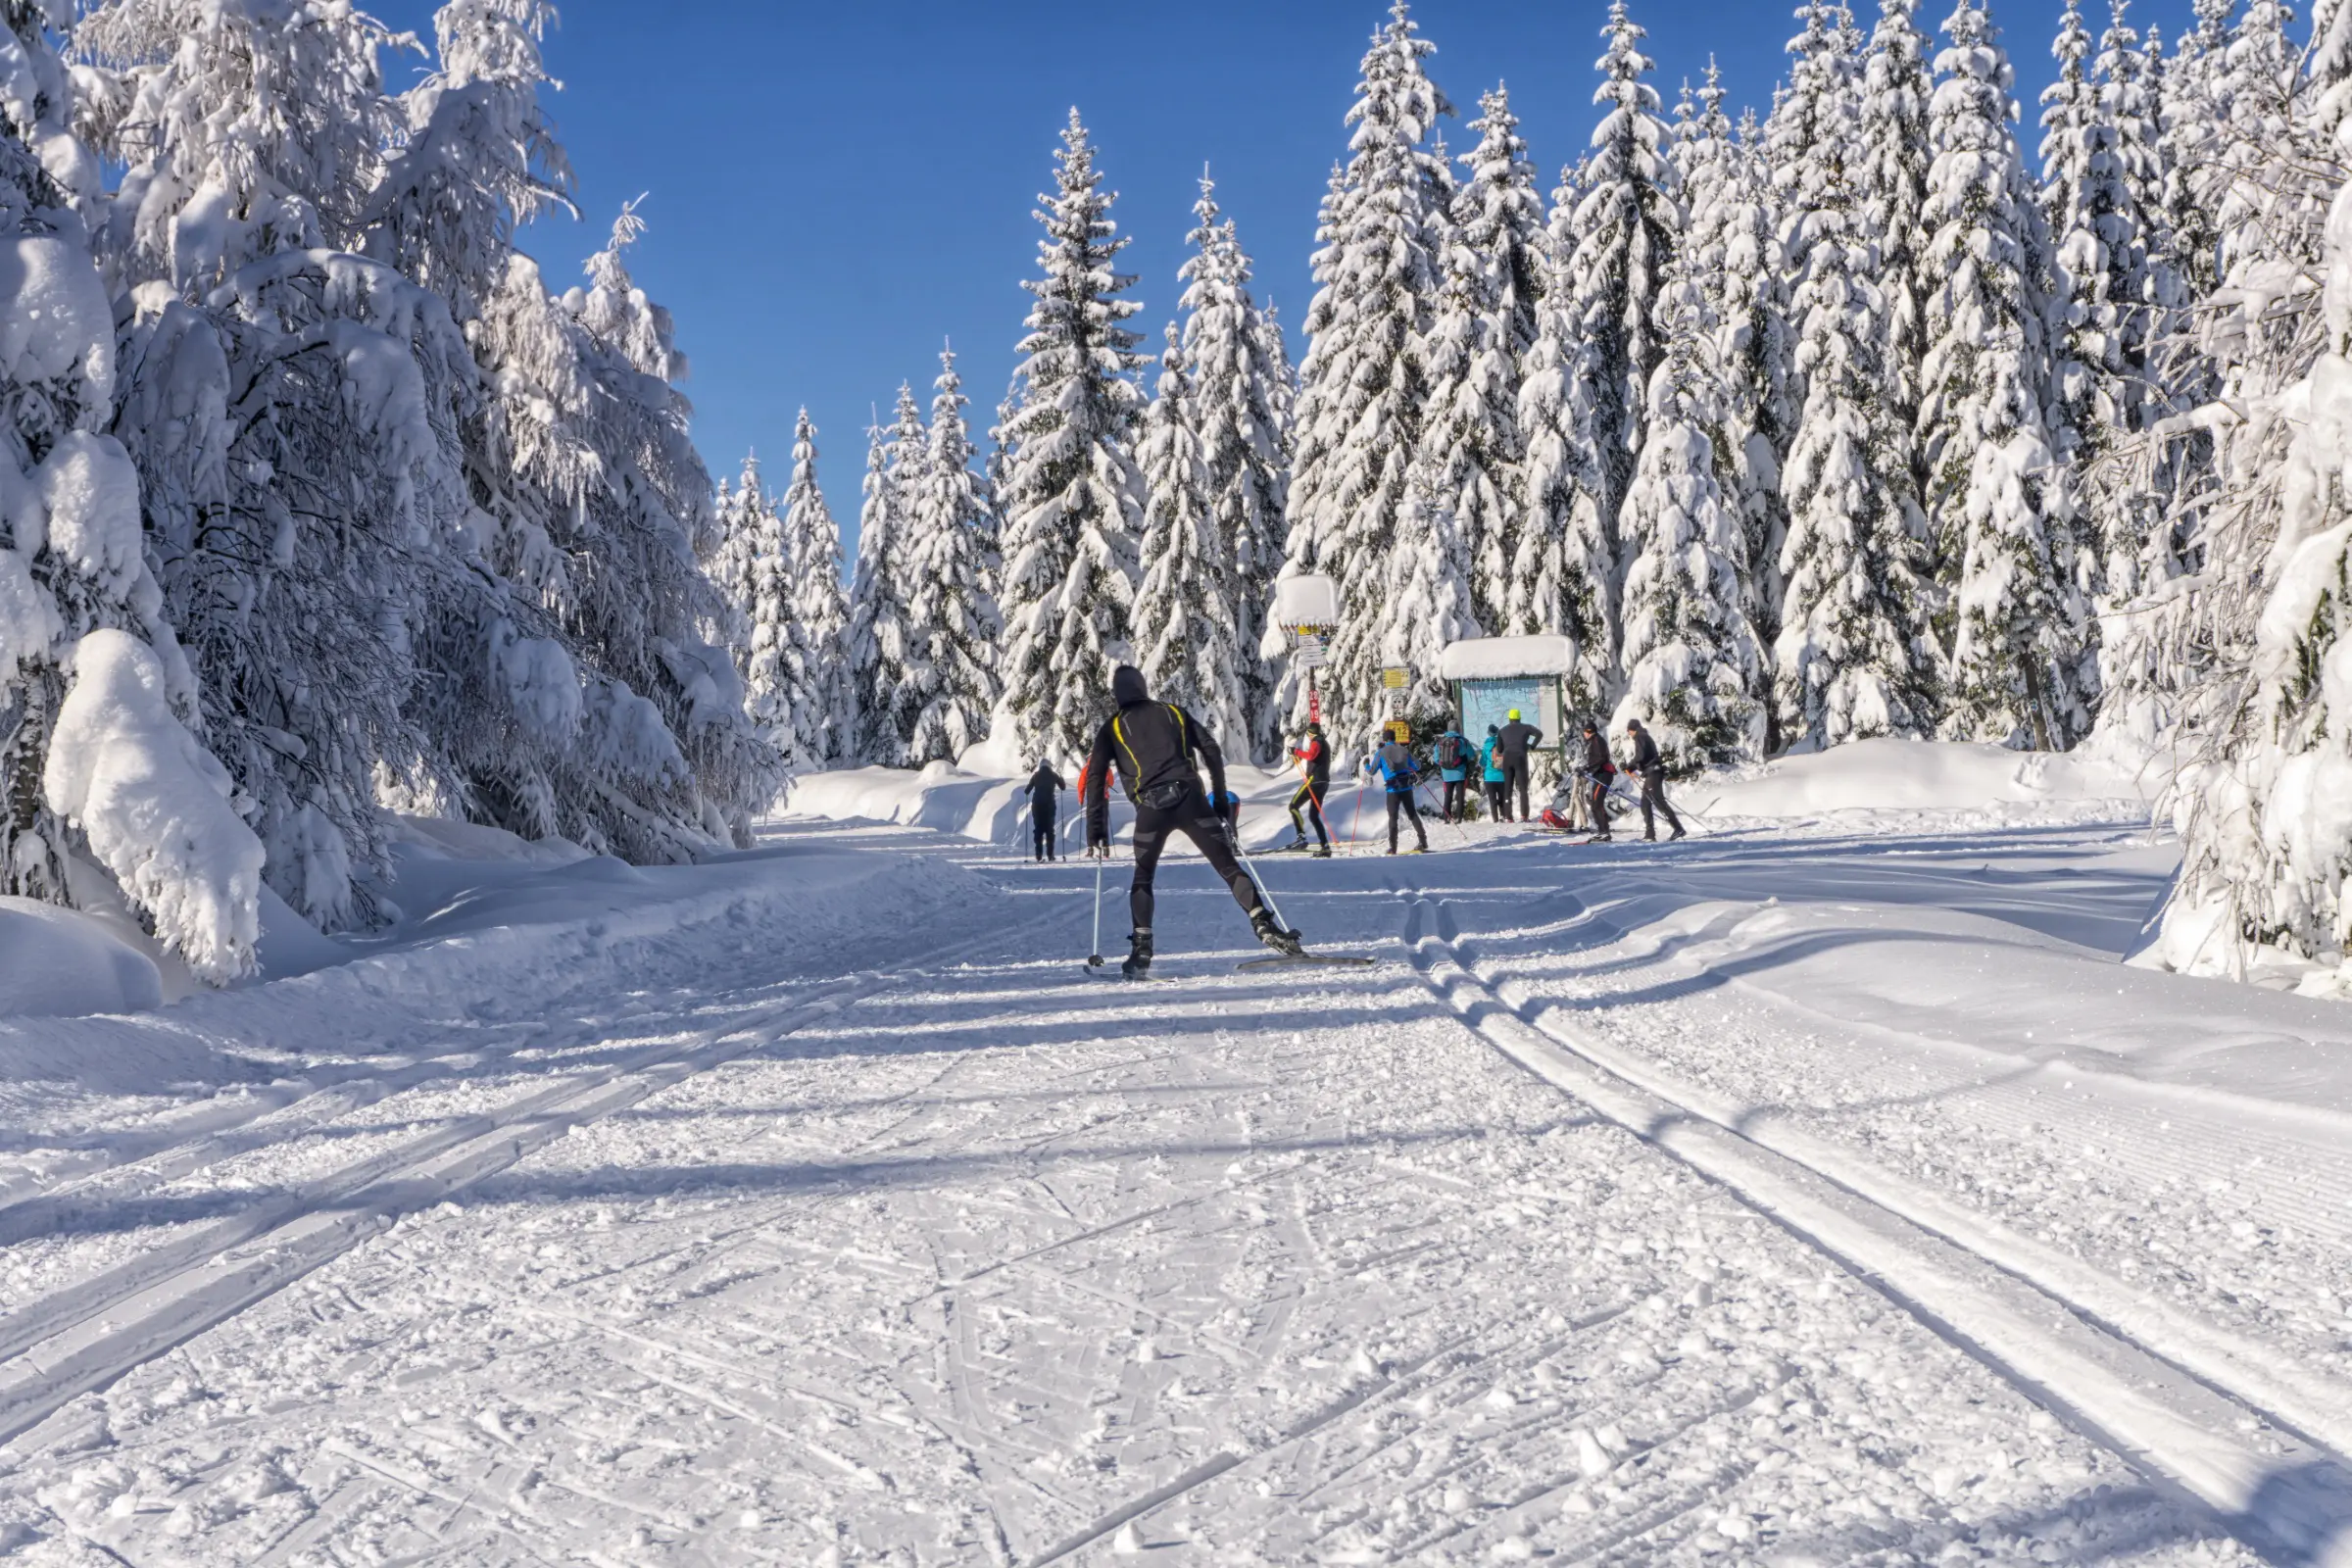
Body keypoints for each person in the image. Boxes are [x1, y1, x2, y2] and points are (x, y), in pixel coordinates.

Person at [1084, 664, 1301, 977]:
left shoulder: (1112, 728)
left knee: (1143, 876)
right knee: (1228, 866)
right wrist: (1222, 798)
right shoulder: (1174, 712)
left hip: (1150, 808)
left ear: (1117, 694)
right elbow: (1211, 749)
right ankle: (1264, 924)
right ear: (1142, 686)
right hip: (1191, 801)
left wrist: (1096, 830)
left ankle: (1142, 949)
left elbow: (1096, 778)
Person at [1365, 732, 1430, 855]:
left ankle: (1393, 847)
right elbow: (1417, 766)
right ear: (1395, 738)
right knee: (1412, 814)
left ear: (1384, 740)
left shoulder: (1381, 752)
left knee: (1393, 817)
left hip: (1392, 789)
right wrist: (1407, 766)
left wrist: (1366, 764)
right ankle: (1423, 841)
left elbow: (1372, 771)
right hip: (1406, 787)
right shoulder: (1403, 750)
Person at [1623, 717, 1687, 841]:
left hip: (1653, 772)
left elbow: (1640, 756)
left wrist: (1630, 766)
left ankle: (1678, 828)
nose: (1628, 733)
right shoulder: (1644, 736)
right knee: (1645, 803)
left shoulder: (1640, 737)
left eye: (1629, 730)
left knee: (1659, 802)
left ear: (1633, 729)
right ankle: (1650, 834)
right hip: (1652, 772)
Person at [1287, 721, 1334, 857]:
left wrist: (1296, 751)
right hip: (1323, 781)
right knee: (1314, 816)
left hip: (1315, 781)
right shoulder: (1323, 742)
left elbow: (1311, 755)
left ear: (1310, 733)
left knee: (1293, 806)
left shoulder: (1317, 741)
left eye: (1308, 733)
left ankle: (1301, 837)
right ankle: (1325, 846)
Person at [1495, 709, 1544, 824]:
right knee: (1523, 789)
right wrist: (1531, 746)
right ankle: (1524, 816)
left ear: (1509, 719)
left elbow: (1499, 749)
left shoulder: (1502, 731)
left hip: (1507, 759)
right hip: (1520, 758)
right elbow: (1539, 734)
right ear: (1519, 718)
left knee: (1507, 789)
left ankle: (1509, 817)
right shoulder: (1526, 727)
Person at [1580, 718, 1616, 841]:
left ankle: (1604, 831)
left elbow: (1601, 759)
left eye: (1584, 732)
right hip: (1600, 774)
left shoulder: (1597, 741)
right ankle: (1603, 831)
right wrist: (1586, 769)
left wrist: (1587, 768)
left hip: (1603, 774)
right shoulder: (1594, 741)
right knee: (1596, 804)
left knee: (1596, 804)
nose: (1584, 734)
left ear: (1589, 731)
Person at [1025, 759, 1065, 861]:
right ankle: (1050, 855)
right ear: (1049, 766)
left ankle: (1038, 855)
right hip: (1049, 806)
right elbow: (1063, 787)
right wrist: (1061, 778)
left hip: (1037, 806)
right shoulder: (1054, 775)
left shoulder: (1036, 775)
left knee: (1038, 829)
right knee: (1049, 830)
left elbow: (1027, 791)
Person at [1433, 723, 1472, 820]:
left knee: (1447, 796)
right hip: (1459, 774)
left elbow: (1436, 758)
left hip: (1446, 774)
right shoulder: (1462, 741)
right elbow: (1470, 754)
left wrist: (1444, 765)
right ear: (1458, 729)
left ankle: (1446, 817)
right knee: (1460, 796)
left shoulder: (1440, 741)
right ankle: (1459, 818)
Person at [1480, 725, 1510, 821]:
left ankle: (1495, 819)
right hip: (1502, 777)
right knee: (1502, 798)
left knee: (1492, 799)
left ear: (1488, 732)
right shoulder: (1503, 744)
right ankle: (1503, 816)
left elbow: (1482, 762)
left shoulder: (1486, 746)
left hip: (1489, 777)